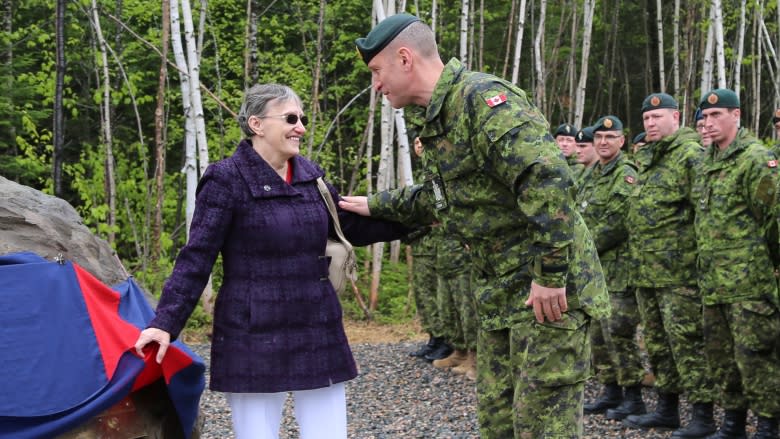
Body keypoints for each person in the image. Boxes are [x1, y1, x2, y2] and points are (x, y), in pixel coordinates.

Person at [348, 13, 609, 438]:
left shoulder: (482, 99)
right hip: (502, 295)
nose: (376, 85)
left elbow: (547, 178)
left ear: (404, 58)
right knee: (498, 423)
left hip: (546, 296)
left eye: (377, 72)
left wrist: (551, 275)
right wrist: (374, 205)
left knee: (544, 427)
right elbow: (444, 197)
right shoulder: (439, 117)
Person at [133, 83, 410, 439]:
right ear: (257, 124)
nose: (301, 127)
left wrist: (416, 219)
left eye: (303, 119)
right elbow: (196, 257)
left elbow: (350, 225)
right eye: (291, 118)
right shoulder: (226, 179)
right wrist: (166, 323)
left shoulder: (312, 176)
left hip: (317, 327)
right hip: (253, 335)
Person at [623, 92, 717, 439]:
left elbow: (703, 213)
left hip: (679, 275)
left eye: (657, 117)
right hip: (647, 272)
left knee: (687, 344)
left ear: (675, 118)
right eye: (646, 119)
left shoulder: (690, 155)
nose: (650, 123)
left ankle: (703, 415)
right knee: (659, 344)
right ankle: (666, 409)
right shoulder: (648, 157)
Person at [695, 88, 780, 439]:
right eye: (704, 117)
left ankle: (767, 425)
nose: (709, 123)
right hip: (713, 284)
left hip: (750, 284)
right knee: (722, 360)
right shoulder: (705, 162)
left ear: (737, 116)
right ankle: (732, 424)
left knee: (756, 358)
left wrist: (768, 269)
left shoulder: (755, 160)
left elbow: (774, 221)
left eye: (717, 115)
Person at [578, 116, 646, 421]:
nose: (603, 142)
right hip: (595, 272)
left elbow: (619, 220)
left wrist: (582, 247)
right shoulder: (591, 173)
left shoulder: (625, 173)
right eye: (599, 137)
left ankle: (633, 395)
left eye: (610, 137)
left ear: (622, 141)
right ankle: (610, 390)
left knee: (618, 333)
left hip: (618, 270)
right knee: (598, 336)